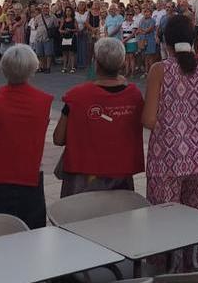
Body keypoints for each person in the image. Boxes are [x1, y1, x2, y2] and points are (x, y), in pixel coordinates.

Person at [142, 14, 198, 271]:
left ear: (166, 41)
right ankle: (192, 278)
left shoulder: (160, 70)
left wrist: (174, 123)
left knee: (163, 227)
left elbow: (149, 119)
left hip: (167, 160)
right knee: (196, 224)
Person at [0, 45, 53, 230]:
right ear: (33, 69)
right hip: (30, 174)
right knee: (31, 231)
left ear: (3, 69)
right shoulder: (43, 101)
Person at [54, 38, 143, 196]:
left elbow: (58, 138)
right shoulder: (134, 95)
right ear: (122, 63)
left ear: (96, 63)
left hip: (83, 177)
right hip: (120, 174)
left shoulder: (76, 96)